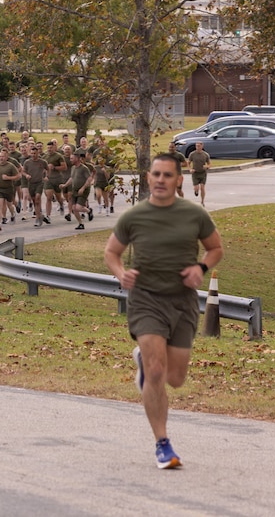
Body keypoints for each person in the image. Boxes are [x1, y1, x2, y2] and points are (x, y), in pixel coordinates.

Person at [103, 153, 223, 470]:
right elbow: (112, 253)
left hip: (182, 301)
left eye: (167, 175)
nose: (160, 180)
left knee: (176, 378)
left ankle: (144, 360)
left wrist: (201, 267)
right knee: (156, 372)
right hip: (146, 299)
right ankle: (162, 444)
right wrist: (120, 274)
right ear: (148, 178)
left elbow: (216, 248)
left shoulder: (194, 215)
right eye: (155, 174)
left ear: (179, 179)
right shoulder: (134, 217)